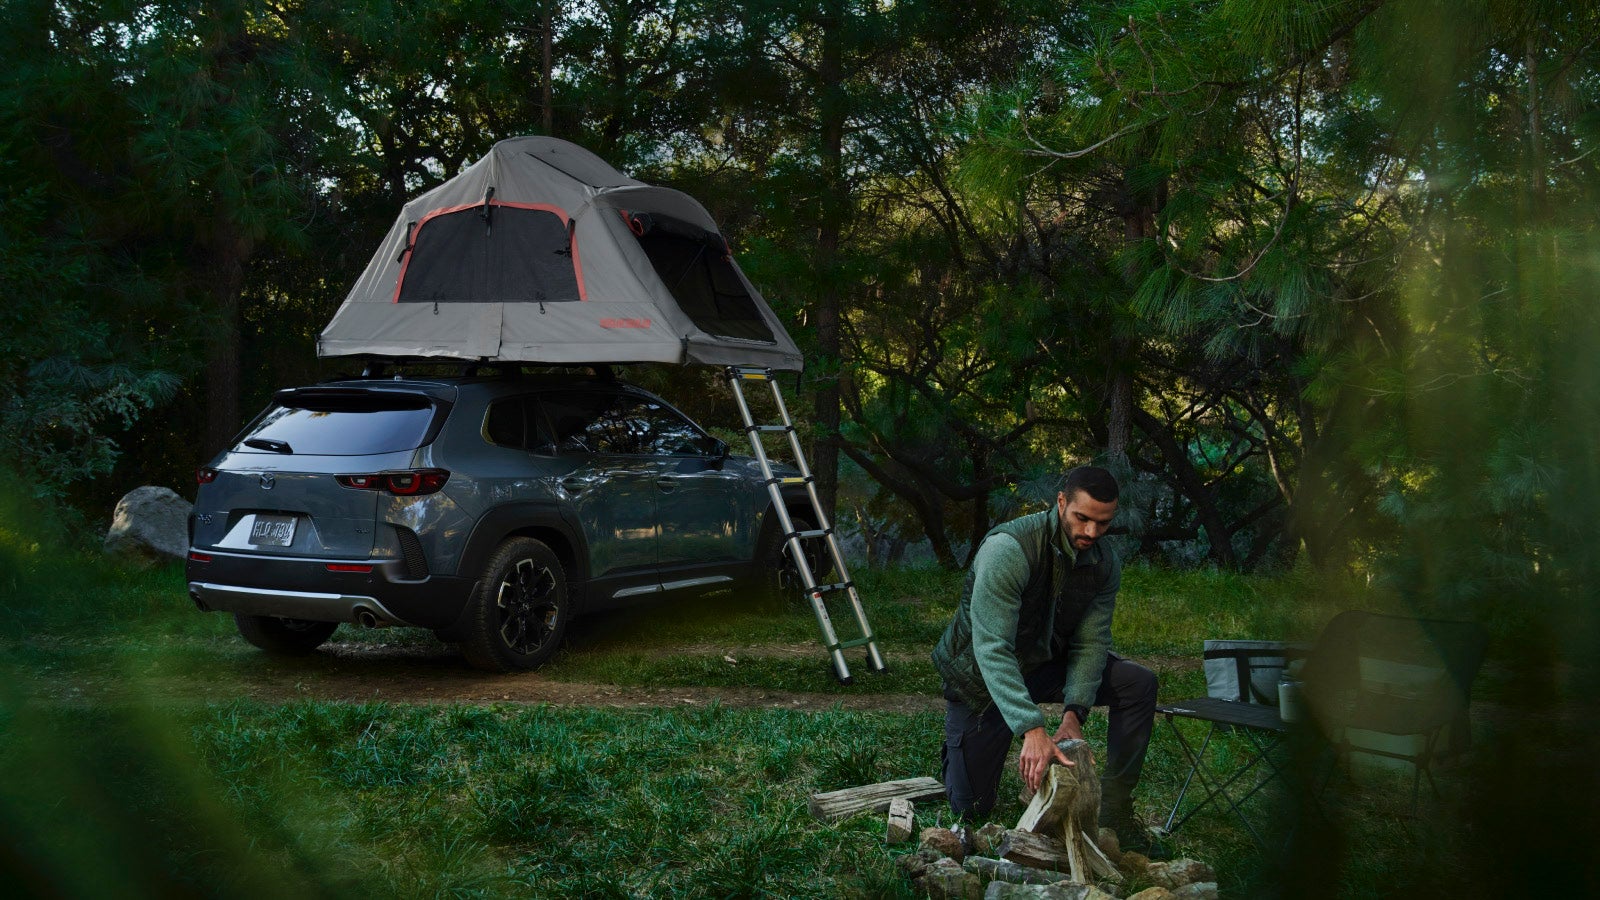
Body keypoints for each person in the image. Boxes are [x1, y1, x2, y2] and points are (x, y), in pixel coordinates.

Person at [931, 466, 1158, 848]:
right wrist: (1032, 729)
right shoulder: (1009, 549)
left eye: (1102, 523)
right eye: (1082, 518)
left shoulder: (1105, 563)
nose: (1091, 532)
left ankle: (1115, 810)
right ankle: (965, 747)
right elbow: (992, 648)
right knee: (970, 808)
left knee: (1138, 683)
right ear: (1061, 502)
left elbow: (1091, 642)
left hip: (1043, 665)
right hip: (982, 681)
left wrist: (1074, 713)